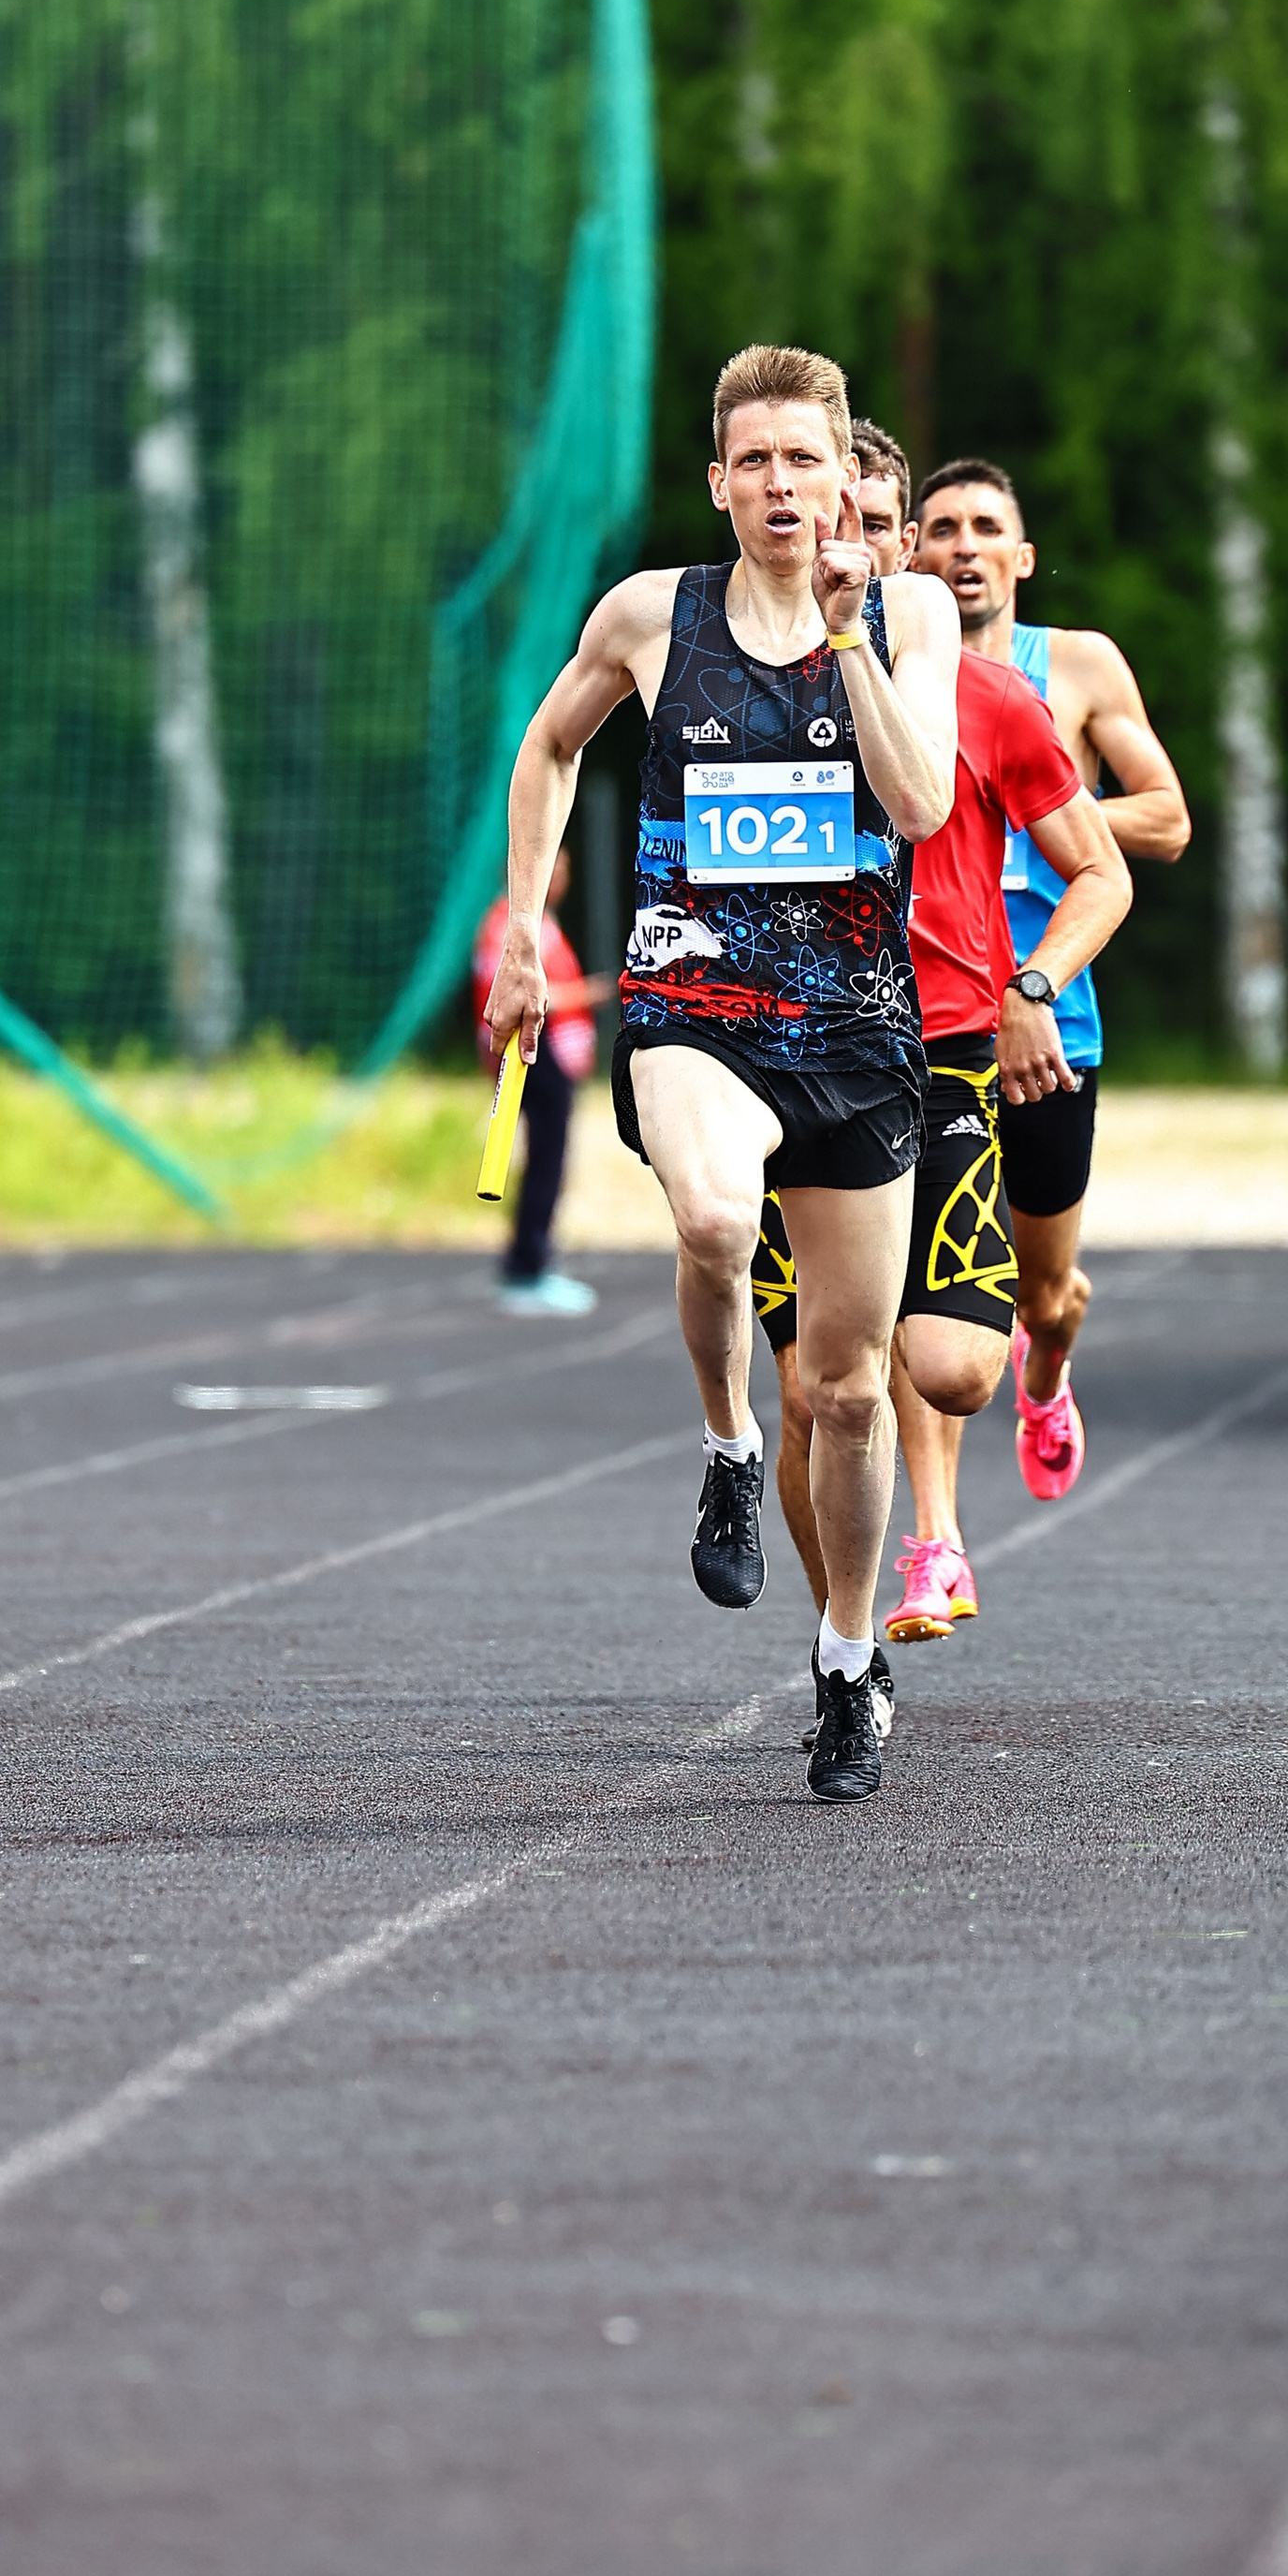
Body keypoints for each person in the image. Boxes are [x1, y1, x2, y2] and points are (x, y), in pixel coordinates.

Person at [484, 342, 959, 1801]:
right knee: (705, 1215)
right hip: (692, 1001)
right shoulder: (650, 617)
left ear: (841, 479)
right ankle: (727, 1441)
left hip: (857, 1034)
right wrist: (524, 927)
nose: (779, 485)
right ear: (718, 482)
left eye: (803, 461)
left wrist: (855, 641)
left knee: (858, 1387)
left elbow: (921, 800)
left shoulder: (912, 612)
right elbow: (550, 747)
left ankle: (840, 1664)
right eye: (753, 461)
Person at [753, 422, 1131, 1655]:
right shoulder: (728, 689)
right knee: (816, 1388)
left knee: (958, 1368)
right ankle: (847, 1651)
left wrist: (1033, 980)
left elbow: (1106, 874)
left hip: (951, 1046)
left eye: (867, 525)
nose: (839, 544)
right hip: (788, 1059)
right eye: (822, 520)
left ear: (894, 549)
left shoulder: (986, 696)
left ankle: (1032, 1382)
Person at [909, 459, 1189, 1513]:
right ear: (911, 554)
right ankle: (934, 1535)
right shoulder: (886, 680)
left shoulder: (1073, 669)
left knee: (1045, 1292)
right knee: (923, 1291)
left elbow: (1164, 818)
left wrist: (1025, 802)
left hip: (1047, 1017)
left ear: (1021, 559)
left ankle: (1049, 1374)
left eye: (986, 528)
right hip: (928, 1022)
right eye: (941, 529)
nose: (963, 546)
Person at [472, 844, 605, 1315]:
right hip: (531, 1055)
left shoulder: (539, 926)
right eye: (556, 868)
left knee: (550, 1158)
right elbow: (515, 994)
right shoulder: (512, 928)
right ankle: (527, 1266)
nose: (562, 878)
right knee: (545, 1159)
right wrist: (593, 992)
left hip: (548, 1058)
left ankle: (532, 1259)